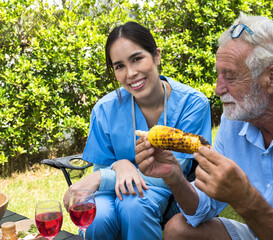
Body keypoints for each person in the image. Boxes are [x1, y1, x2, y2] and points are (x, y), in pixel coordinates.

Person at [135, 12, 273, 240]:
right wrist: (174, 177)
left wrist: (245, 198)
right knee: (178, 229)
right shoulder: (234, 120)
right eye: (218, 74)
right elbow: (202, 208)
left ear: (272, 78)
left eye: (230, 76)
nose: (217, 88)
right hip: (265, 233)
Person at [62, 21, 212, 240]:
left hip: (165, 191)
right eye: (119, 66)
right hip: (111, 192)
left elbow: (173, 172)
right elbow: (101, 164)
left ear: (157, 56)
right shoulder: (104, 109)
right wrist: (119, 165)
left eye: (137, 58)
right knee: (98, 216)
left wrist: (101, 179)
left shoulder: (193, 104)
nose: (130, 73)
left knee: (134, 207)